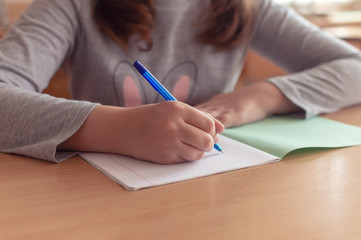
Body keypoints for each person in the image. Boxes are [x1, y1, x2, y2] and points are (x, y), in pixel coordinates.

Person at [0, 0, 360, 164]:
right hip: (98, 200)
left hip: (208, 192)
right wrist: (118, 130)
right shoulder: (70, 6)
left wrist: (260, 97)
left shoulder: (251, 7)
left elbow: (354, 68)